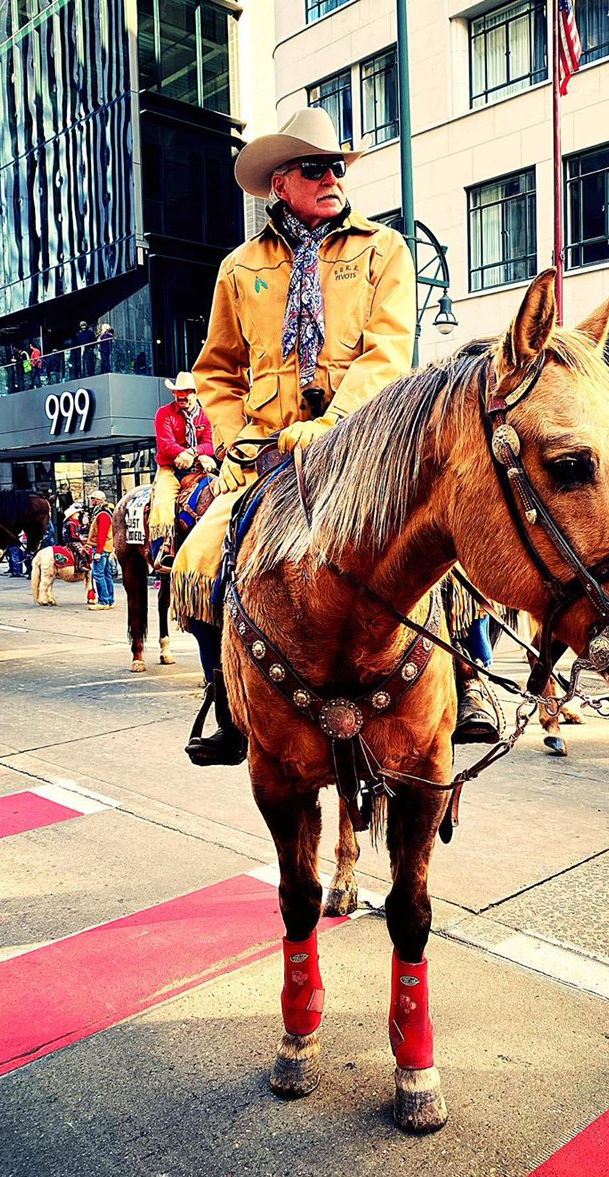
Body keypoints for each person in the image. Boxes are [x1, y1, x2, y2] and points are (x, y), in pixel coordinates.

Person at [171, 107, 415, 765]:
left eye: (336, 165)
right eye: (315, 168)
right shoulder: (238, 268)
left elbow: (389, 348)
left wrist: (333, 423)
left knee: (436, 534)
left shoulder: (383, 249)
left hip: (363, 443)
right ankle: (226, 702)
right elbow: (216, 369)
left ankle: (468, 690)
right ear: (281, 182)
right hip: (269, 451)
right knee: (198, 561)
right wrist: (232, 441)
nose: (331, 176)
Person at [149, 371, 216, 572]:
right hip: (170, 470)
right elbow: (165, 444)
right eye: (178, 392)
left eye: (187, 392)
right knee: (162, 504)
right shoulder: (164, 413)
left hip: (197, 471)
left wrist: (195, 454)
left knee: (219, 494)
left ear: (196, 393)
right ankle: (162, 550)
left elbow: (210, 444)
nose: (182, 396)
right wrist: (188, 454)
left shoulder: (206, 416)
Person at [84, 489, 115, 608]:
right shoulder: (105, 513)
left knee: (98, 574)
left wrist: (98, 551)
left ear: (98, 500)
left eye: (93, 498)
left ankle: (104, 601)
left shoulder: (102, 514)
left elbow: (102, 534)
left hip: (101, 548)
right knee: (106, 574)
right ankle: (109, 599)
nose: (91, 501)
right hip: (106, 547)